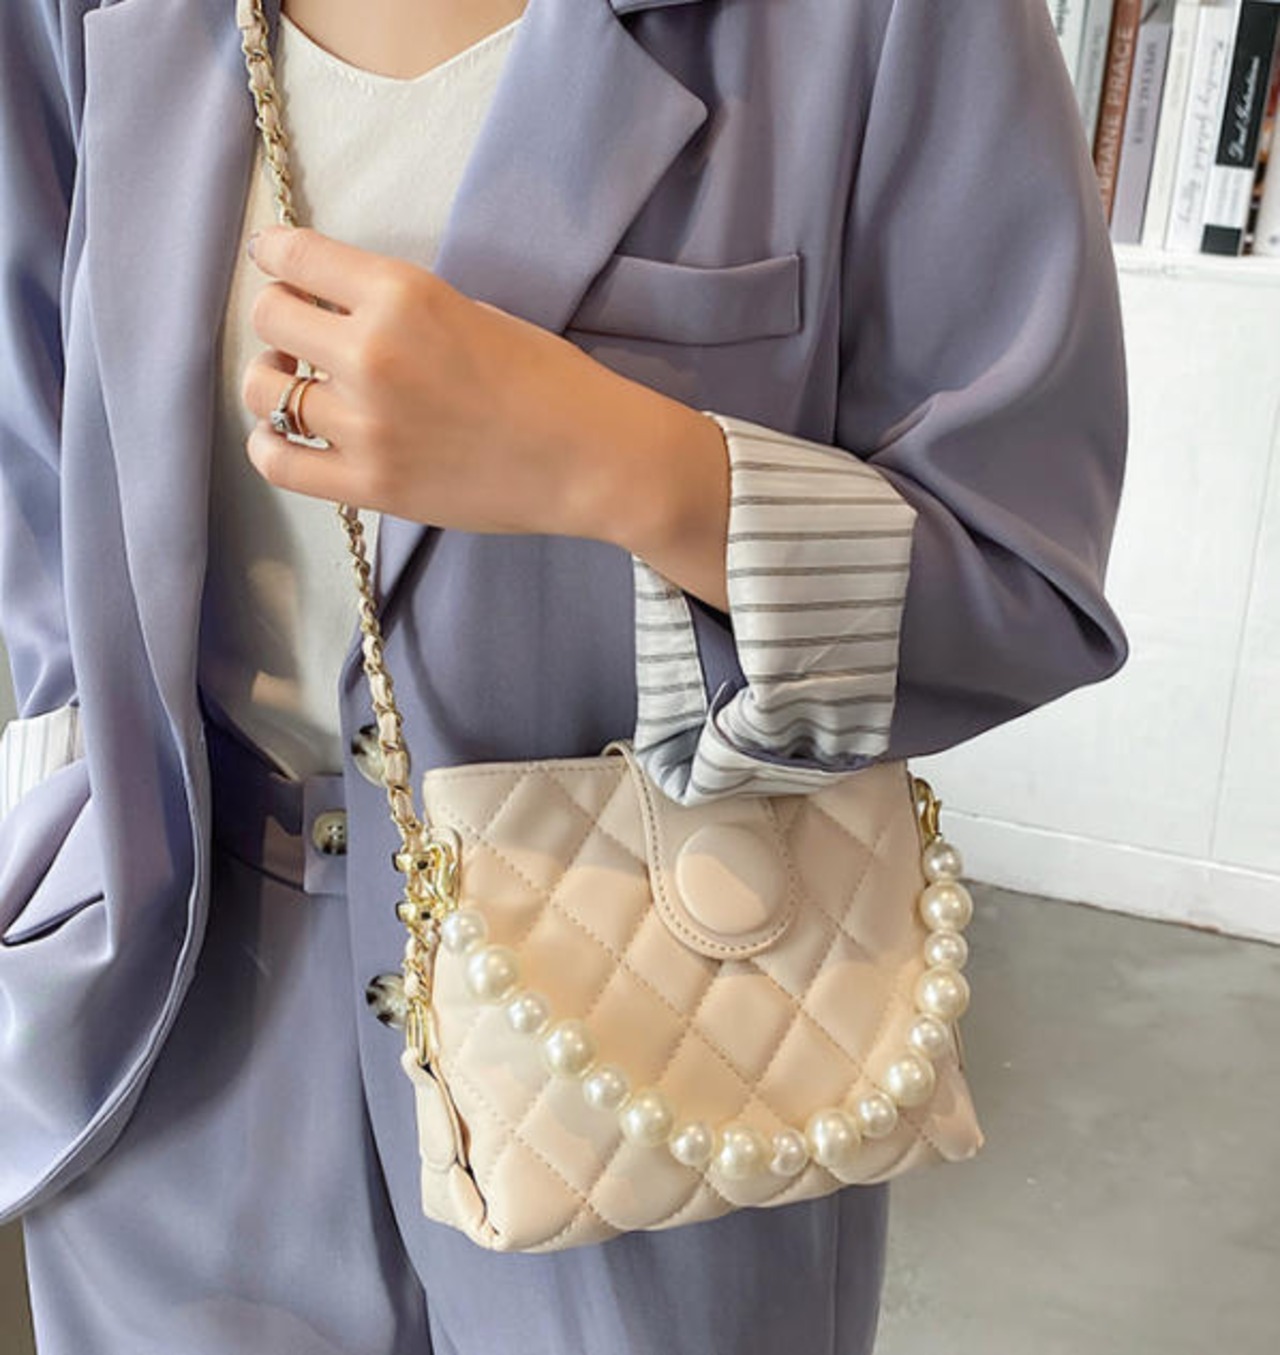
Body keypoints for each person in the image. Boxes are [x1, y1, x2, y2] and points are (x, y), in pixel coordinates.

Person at [0, 0, 1129, 1350]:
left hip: (652, 1056)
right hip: (166, 1039)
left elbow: (1022, 586)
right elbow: (39, 462)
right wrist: (62, 831)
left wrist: (617, 464)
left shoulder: (883, 26)